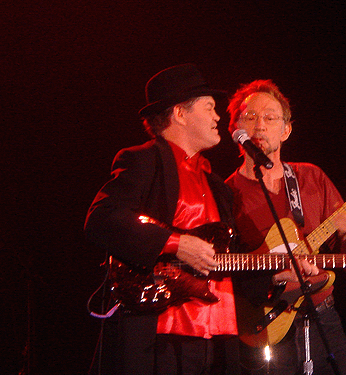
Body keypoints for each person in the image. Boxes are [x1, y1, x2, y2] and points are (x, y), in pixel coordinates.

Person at [84, 63, 240, 375]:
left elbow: (234, 257)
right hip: (162, 330)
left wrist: (284, 269)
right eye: (209, 107)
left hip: (215, 335)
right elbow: (101, 218)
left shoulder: (218, 186)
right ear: (180, 114)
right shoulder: (144, 160)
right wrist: (175, 243)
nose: (218, 117)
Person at [225, 79, 346, 375]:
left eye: (270, 117)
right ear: (235, 129)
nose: (260, 126)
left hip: (322, 317)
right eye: (250, 117)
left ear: (286, 130)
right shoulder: (226, 194)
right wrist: (273, 276)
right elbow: (225, 271)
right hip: (265, 325)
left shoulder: (311, 178)